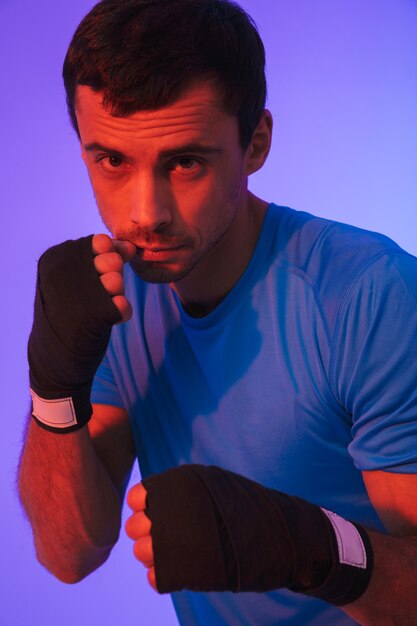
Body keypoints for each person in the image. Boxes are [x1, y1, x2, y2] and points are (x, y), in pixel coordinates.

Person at [18, 1, 417, 625]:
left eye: (185, 162)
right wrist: (52, 388)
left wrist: (312, 548)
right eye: (112, 161)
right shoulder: (115, 297)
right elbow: (69, 553)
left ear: (254, 143)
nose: (145, 214)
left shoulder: (366, 294)